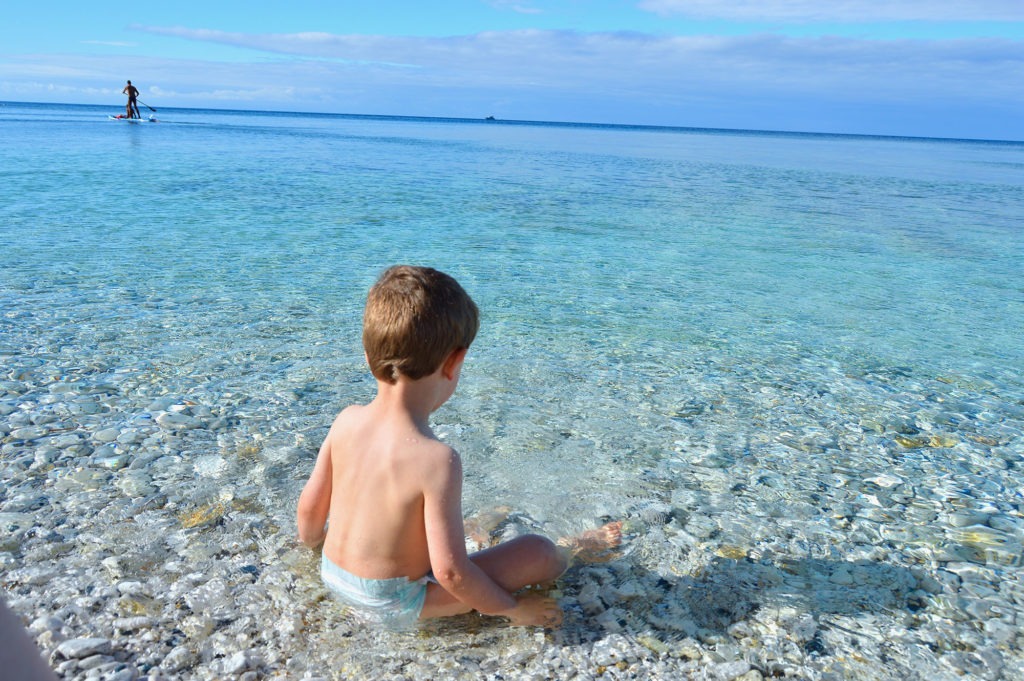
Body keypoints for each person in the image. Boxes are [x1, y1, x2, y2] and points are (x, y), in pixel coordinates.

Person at [296, 265, 620, 630]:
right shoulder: (437, 460)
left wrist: (316, 551)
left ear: (368, 357)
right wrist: (512, 609)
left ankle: (474, 529)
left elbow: (309, 512)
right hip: (394, 604)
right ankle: (574, 549)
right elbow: (450, 572)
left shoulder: (347, 420)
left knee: (427, 526)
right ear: (454, 363)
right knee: (539, 552)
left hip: (333, 577)